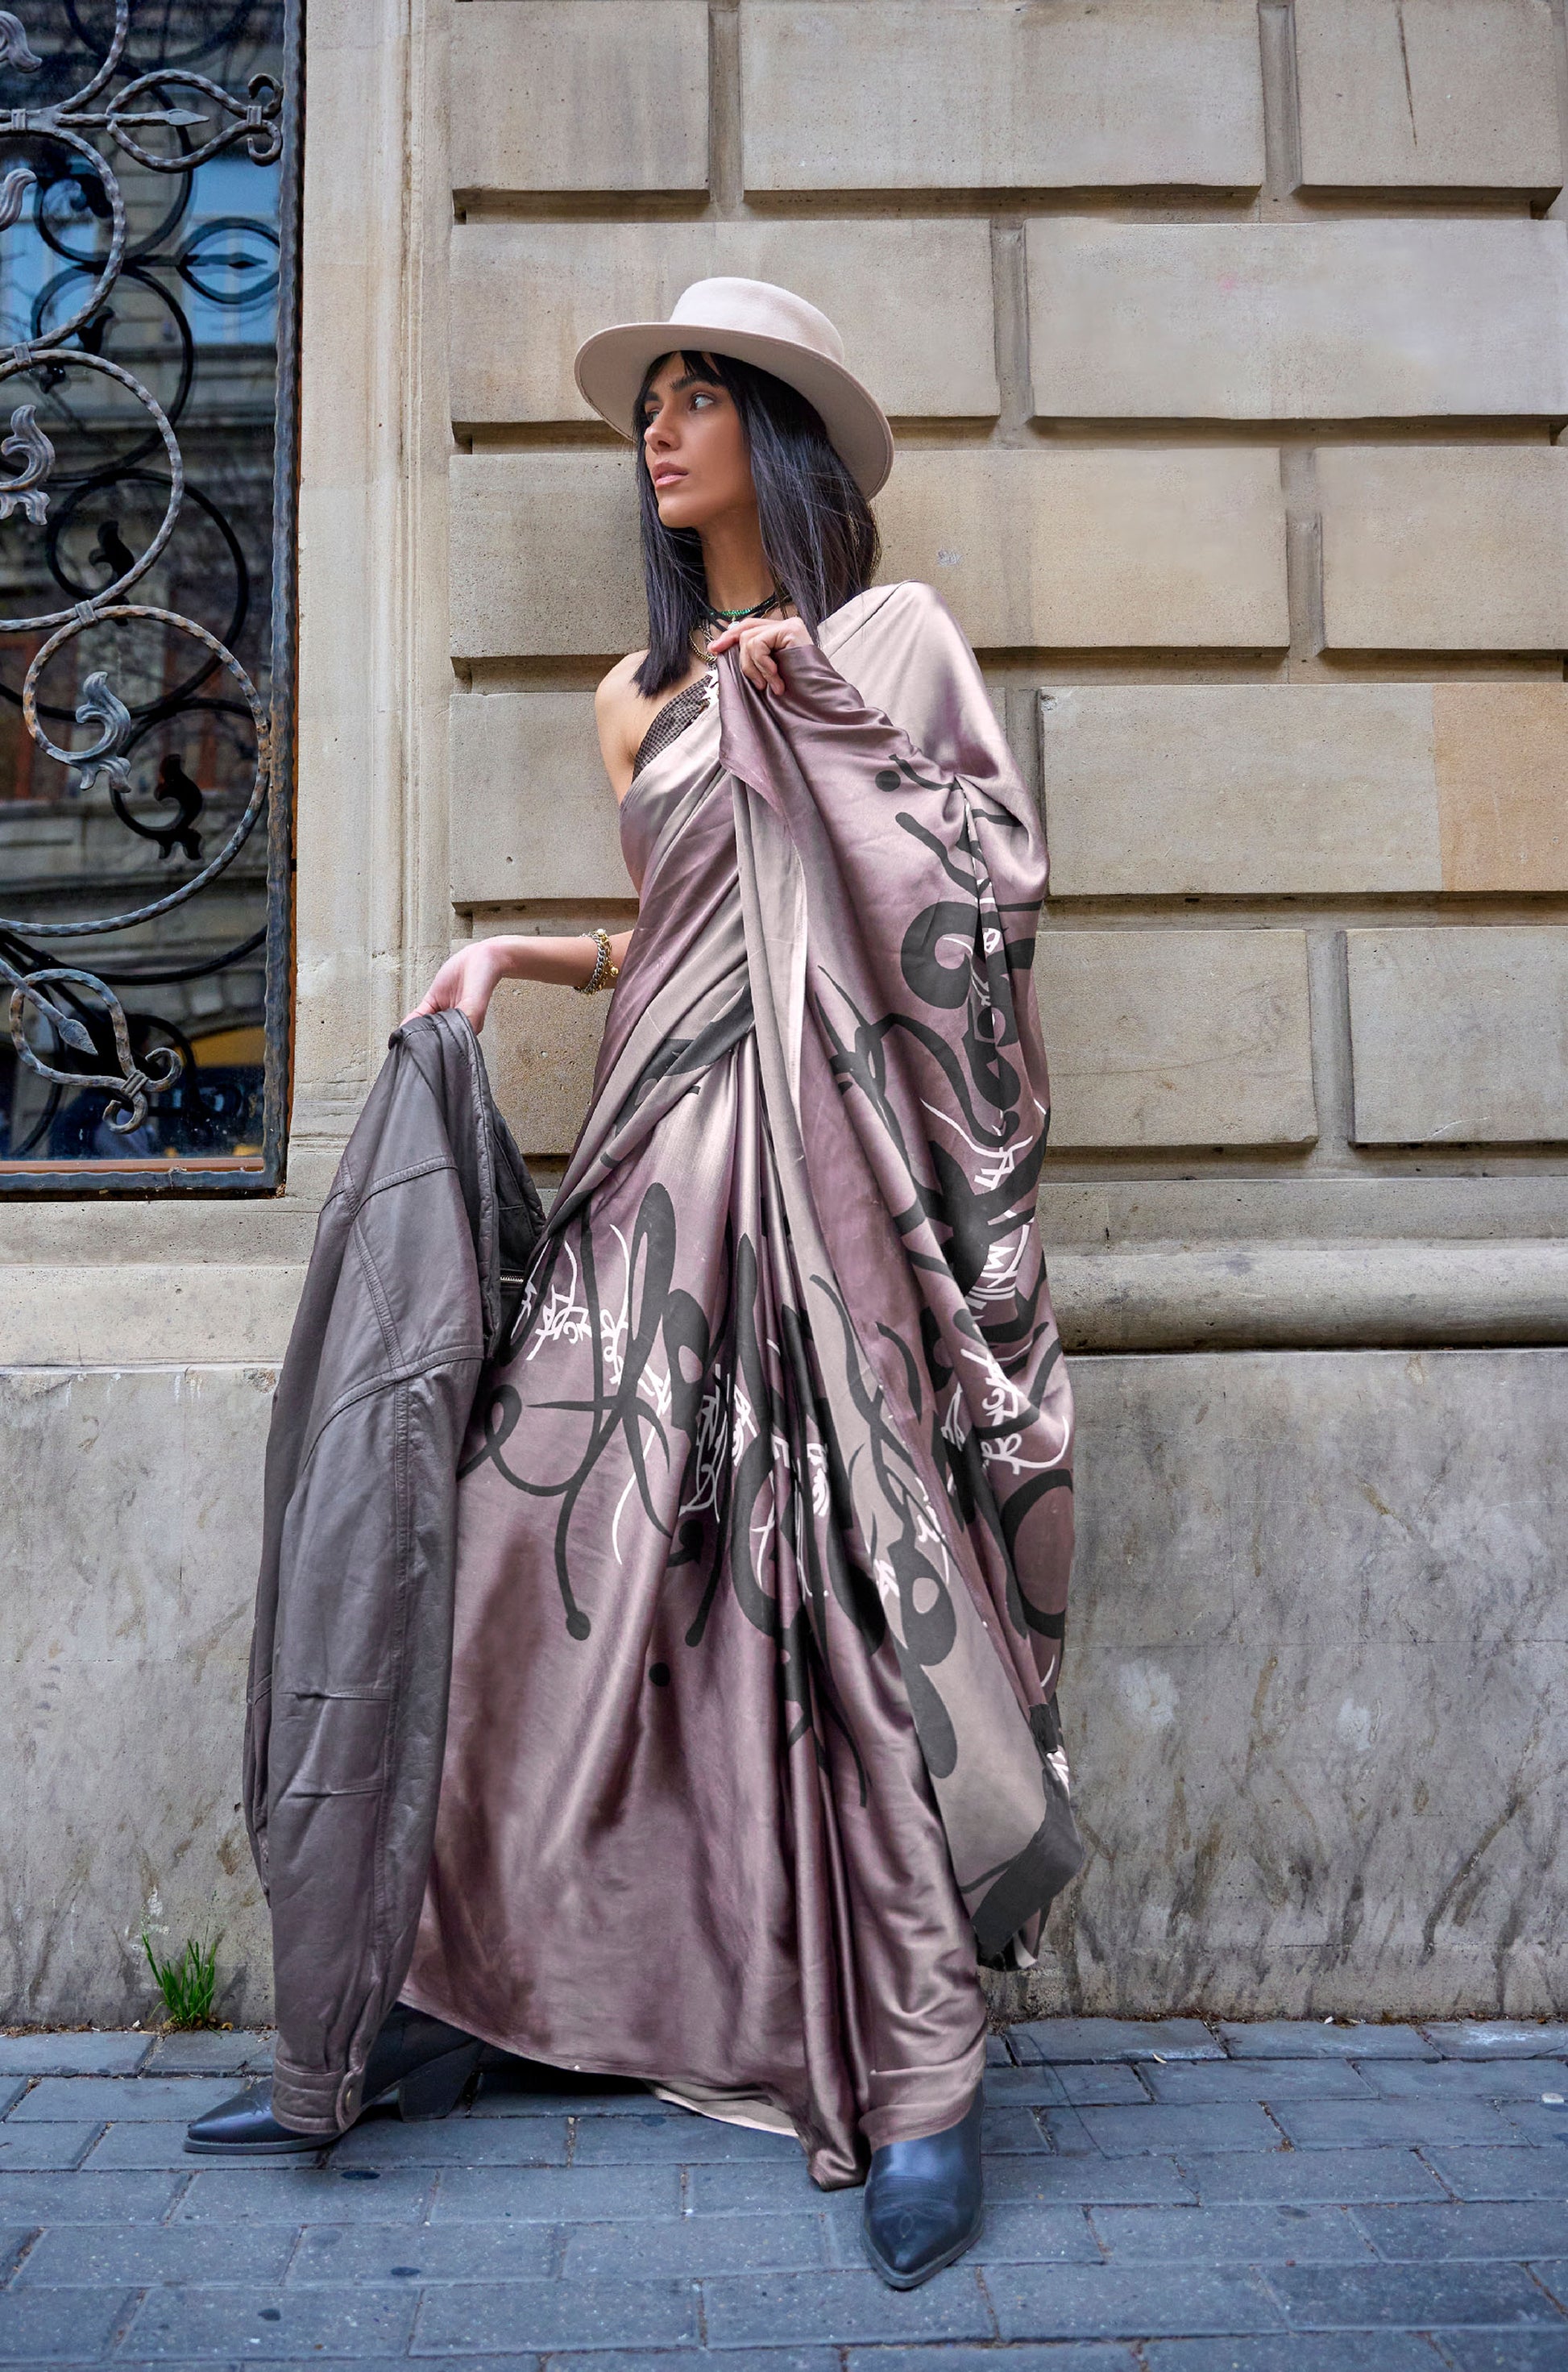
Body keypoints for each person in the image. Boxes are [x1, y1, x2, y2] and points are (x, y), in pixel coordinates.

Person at [188, 279, 1078, 2290]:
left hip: (824, 1195)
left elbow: (985, 883)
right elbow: (683, 918)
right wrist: (515, 955)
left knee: (843, 1599)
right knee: (519, 1568)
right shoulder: (634, 694)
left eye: (695, 399)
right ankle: (445, 1996)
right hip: (647, 1182)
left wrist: (816, 698)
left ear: (775, 435)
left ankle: (921, 2075)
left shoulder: (892, 640)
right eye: (649, 403)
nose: (658, 432)